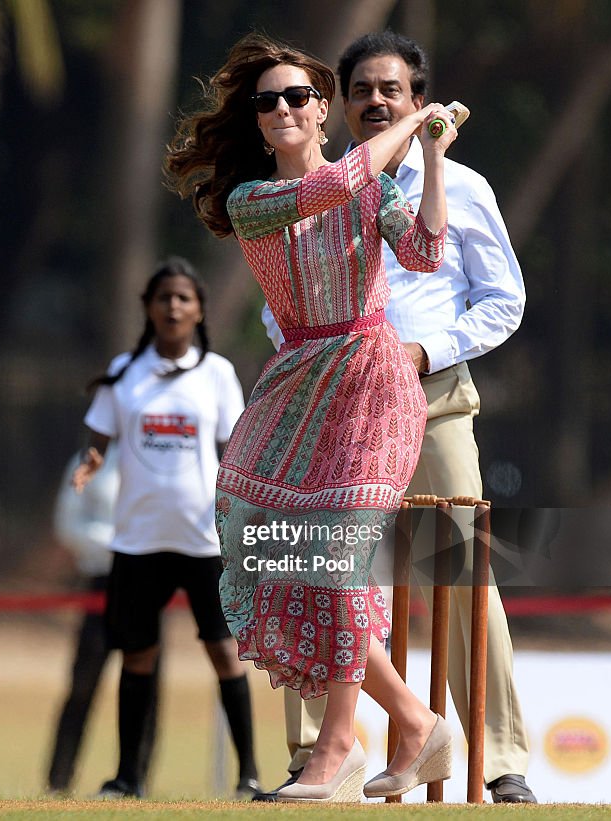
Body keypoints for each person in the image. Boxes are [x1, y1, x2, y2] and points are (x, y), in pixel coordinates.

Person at [165, 34, 459, 803]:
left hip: (374, 376)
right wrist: (411, 120)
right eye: (269, 102)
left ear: (322, 109)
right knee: (264, 537)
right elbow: (334, 186)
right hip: (299, 381)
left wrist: (430, 158)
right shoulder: (251, 200)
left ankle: (337, 749)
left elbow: (426, 255)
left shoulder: (371, 184)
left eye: (298, 96)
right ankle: (416, 720)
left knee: (337, 558)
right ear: (258, 123)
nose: (284, 108)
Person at [255, 31, 534, 805]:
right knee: (318, 567)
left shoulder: (464, 186)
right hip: (334, 406)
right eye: (361, 92)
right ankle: (316, 752)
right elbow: (282, 305)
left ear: (417, 101)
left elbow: (503, 301)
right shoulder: (320, 187)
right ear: (338, 106)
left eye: (392, 90)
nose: (375, 101)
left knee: (460, 575)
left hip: (433, 401)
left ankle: (501, 759)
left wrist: (425, 351)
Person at [73, 257, 259, 799]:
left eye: (183, 298)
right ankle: (127, 777)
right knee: (138, 656)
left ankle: (248, 775)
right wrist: (89, 463)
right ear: (148, 308)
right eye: (163, 298)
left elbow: (234, 449)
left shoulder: (218, 374)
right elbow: (98, 438)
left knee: (225, 654)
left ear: (199, 309)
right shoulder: (125, 371)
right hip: (138, 540)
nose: (173, 307)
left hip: (203, 541)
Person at [46, 443, 159, 794]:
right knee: (82, 685)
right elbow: (68, 524)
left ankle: (136, 778)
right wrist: (119, 545)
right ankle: (59, 780)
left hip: (148, 583)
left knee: (147, 688)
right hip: (103, 582)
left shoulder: (161, 460)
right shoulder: (86, 461)